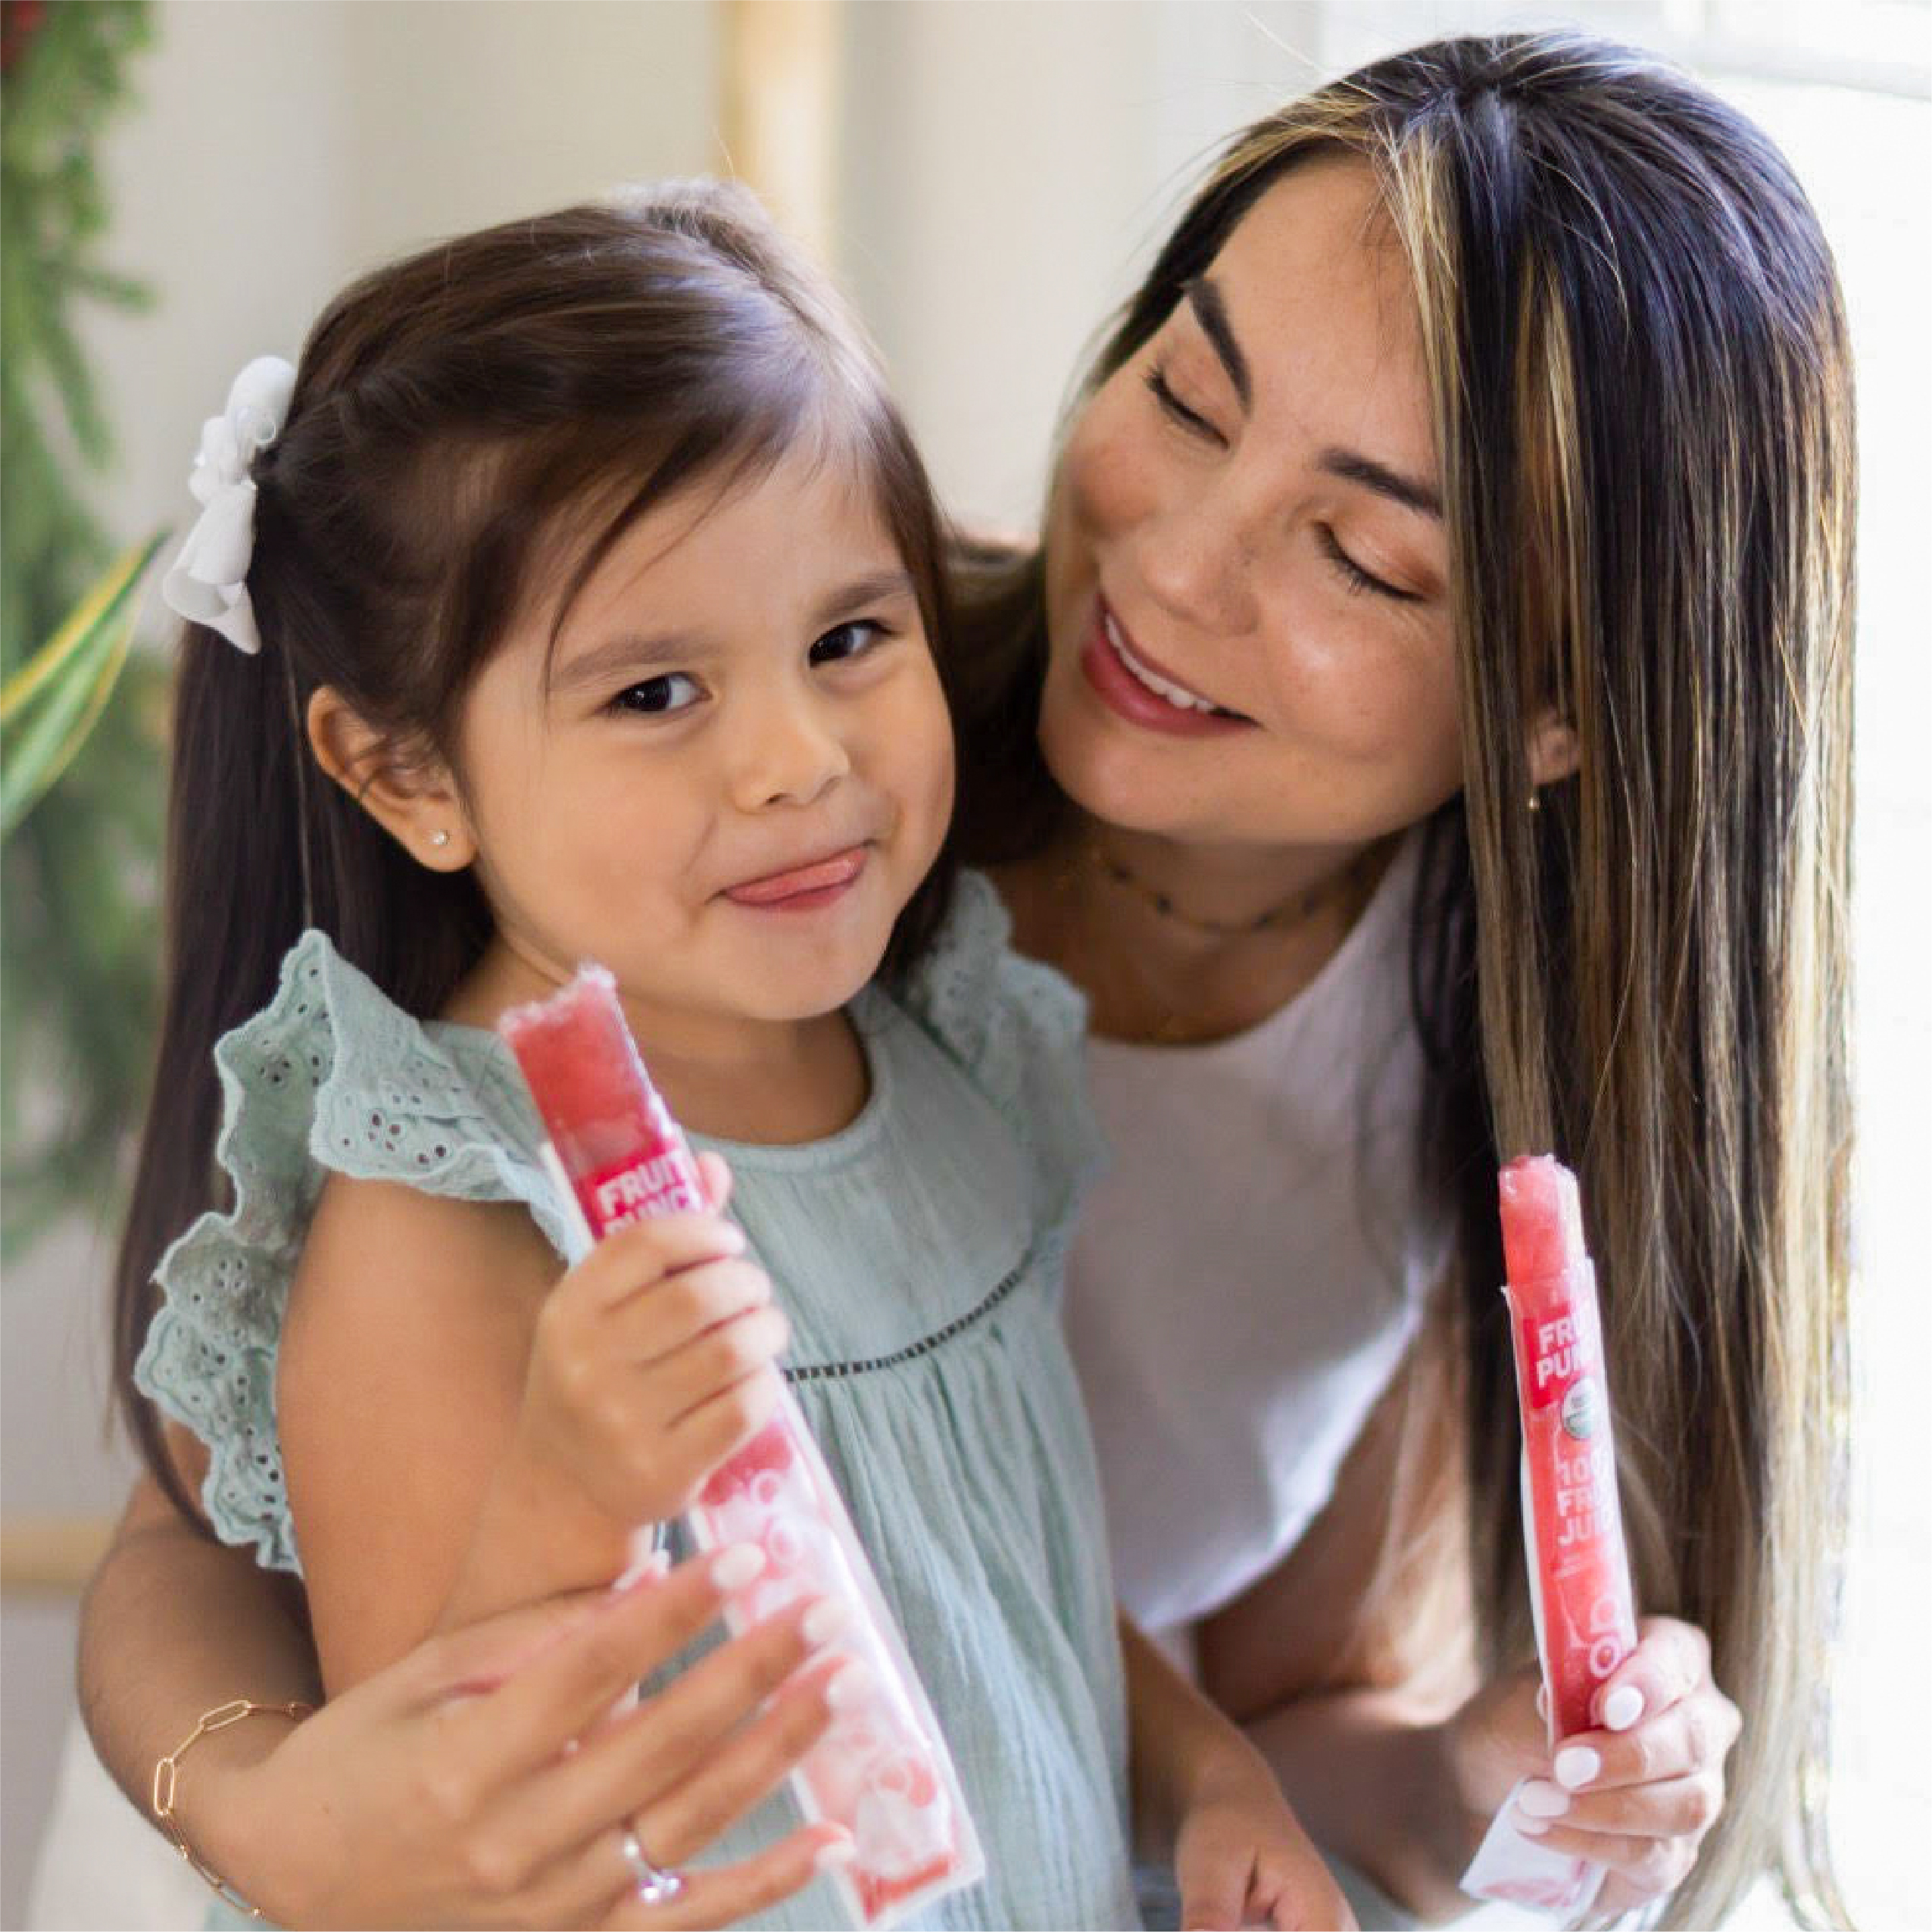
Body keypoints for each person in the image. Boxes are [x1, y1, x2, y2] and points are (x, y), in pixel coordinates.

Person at [76, 30, 1852, 1931]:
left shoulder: (1094, 1052)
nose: (1170, 570)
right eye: (1185, 395)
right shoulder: (744, 884)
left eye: (1354, 552)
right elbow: (235, 1547)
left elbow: (1044, 1594)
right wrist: (272, 1803)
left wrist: (1438, 1789)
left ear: (1564, 712)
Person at [97, 179, 1346, 1932]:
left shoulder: (943, 1068)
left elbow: (996, 1568)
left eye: (848, 638)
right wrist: (568, 1483)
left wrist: (1212, 1777)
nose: (792, 757)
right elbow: (435, 1827)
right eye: (652, 693)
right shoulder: (449, 1217)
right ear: (408, 777)